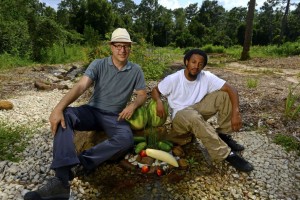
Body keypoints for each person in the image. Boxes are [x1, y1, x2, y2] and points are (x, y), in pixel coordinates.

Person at [24, 28, 147, 200]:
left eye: (126, 46)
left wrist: (132, 106)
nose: (122, 50)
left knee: (126, 139)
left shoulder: (136, 70)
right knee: (65, 115)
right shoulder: (99, 64)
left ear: (130, 48)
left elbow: (142, 94)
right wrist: (58, 108)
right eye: (118, 45)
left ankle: (79, 164)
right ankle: (61, 181)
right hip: (92, 110)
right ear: (111, 47)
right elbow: (81, 86)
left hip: (114, 116)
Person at [151, 49, 254, 172]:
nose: (196, 66)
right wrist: (158, 102)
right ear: (186, 62)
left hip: (196, 110)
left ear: (203, 66)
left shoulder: (206, 76)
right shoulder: (173, 79)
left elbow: (232, 90)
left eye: (200, 64)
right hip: (180, 117)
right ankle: (225, 154)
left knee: (224, 95)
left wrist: (236, 113)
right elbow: (155, 90)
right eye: (193, 62)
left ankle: (223, 135)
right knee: (192, 116)